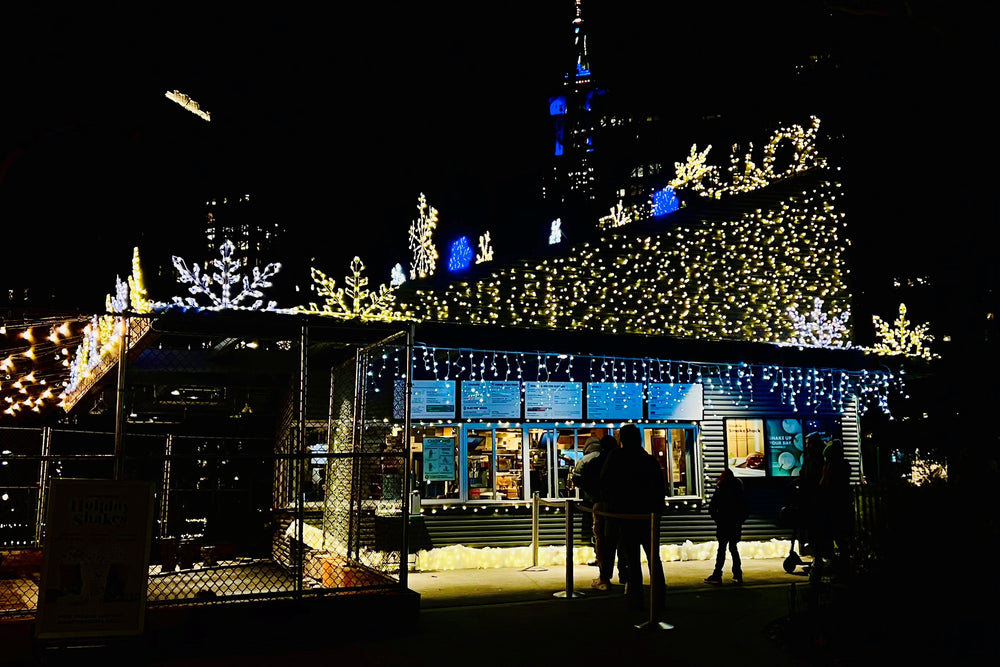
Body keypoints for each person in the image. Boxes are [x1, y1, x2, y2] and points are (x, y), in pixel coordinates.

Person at [600, 423, 666, 611]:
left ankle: (636, 599)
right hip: (648, 516)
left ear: (622, 439)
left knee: (632, 560)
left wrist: (612, 509)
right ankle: (659, 598)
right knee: (654, 558)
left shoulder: (616, 457)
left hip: (626, 515)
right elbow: (659, 489)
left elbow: (605, 483)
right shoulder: (649, 460)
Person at [584, 434, 626, 591]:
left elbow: (583, 480)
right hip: (623, 506)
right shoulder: (624, 462)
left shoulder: (595, 461)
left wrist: (594, 496)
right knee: (623, 541)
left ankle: (605, 577)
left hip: (602, 505)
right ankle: (625, 575)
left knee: (604, 541)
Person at [814, 439, 853, 580]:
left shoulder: (833, 468)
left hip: (833, 508)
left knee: (835, 537)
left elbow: (824, 485)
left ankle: (839, 568)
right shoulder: (842, 466)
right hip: (840, 507)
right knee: (840, 539)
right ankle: (841, 567)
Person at [704, 468, 748, 584]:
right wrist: (739, 521)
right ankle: (738, 574)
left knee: (721, 549)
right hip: (735, 524)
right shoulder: (739, 490)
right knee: (733, 548)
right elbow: (745, 509)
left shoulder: (721, 488)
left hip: (723, 524)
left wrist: (718, 519)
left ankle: (717, 574)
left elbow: (712, 507)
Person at [572, 437, 603, 549]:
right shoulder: (606, 457)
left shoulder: (584, 460)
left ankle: (594, 546)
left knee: (592, 525)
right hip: (606, 499)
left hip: (589, 499)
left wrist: (585, 488)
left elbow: (576, 479)